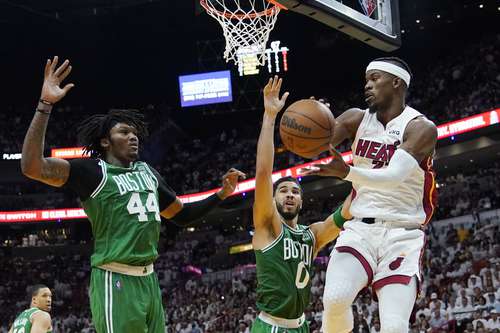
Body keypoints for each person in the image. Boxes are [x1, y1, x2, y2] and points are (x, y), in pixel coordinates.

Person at [20, 56, 245, 333]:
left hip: (149, 279)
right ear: (105, 141)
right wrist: (45, 105)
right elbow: (32, 167)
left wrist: (222, 193)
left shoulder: (148, 172)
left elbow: (183, 216)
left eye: (135, 132)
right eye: (124, 132)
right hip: (115, 278)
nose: (133, 136)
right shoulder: (93, 172)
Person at [305, 57, 438, 333]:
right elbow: (312, 147)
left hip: (403, 234)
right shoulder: (356, 119)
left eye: (375, 79)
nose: (367, 85)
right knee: (334, 298)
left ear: (396, 82)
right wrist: (315, 120)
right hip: (360, 229)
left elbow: (392, 178)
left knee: (393, 327)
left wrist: (347, 173)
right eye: (366, 80)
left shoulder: (420, 128)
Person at [251, 76, 352, 333]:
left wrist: (357, 174)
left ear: (302, 200)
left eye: (295, 191)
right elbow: (263, 173)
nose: (289, 195)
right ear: (273, 199)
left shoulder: (312, 236)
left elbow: (345, 213)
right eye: (283, 190)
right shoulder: (268, 226)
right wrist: (270, 117)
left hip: (302, 326)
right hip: (271, 327)